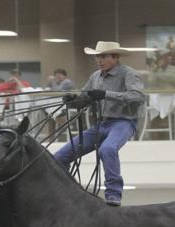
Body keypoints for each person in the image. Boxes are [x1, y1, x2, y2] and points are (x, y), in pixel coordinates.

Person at [53, 42, 147, 206]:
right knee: (59, 158)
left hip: (123, 122)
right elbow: (84, 98)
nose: (99, 60)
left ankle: (113, 194)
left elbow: (138, 96)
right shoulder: (95, 76)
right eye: (97, 56)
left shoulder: (129, 74)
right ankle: (66, 192)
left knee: (108, 149)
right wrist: (72, 101)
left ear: (116, 57)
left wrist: (105, 94)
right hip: (101, 125)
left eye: (103, 56)